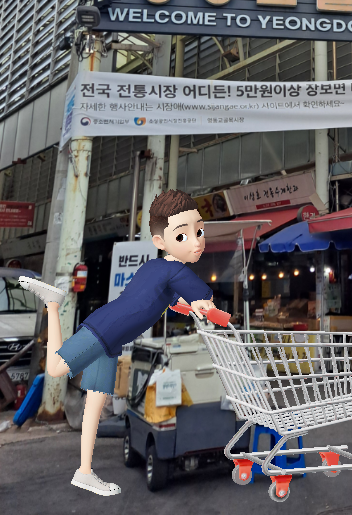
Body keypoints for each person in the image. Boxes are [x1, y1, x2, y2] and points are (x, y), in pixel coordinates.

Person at [19, 189, 215, 497]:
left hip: (112, 339)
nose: (196, 240)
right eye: (183, 235)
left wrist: (191, 307)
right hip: (106, 330)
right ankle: (53, 304)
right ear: (161, 242)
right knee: (56, 368)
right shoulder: (174, 269)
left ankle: (85, 471)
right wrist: (206, 306)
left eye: (199, 231)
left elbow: (166, 299)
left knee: (94, 403)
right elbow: (200, 294)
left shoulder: (157, 268)